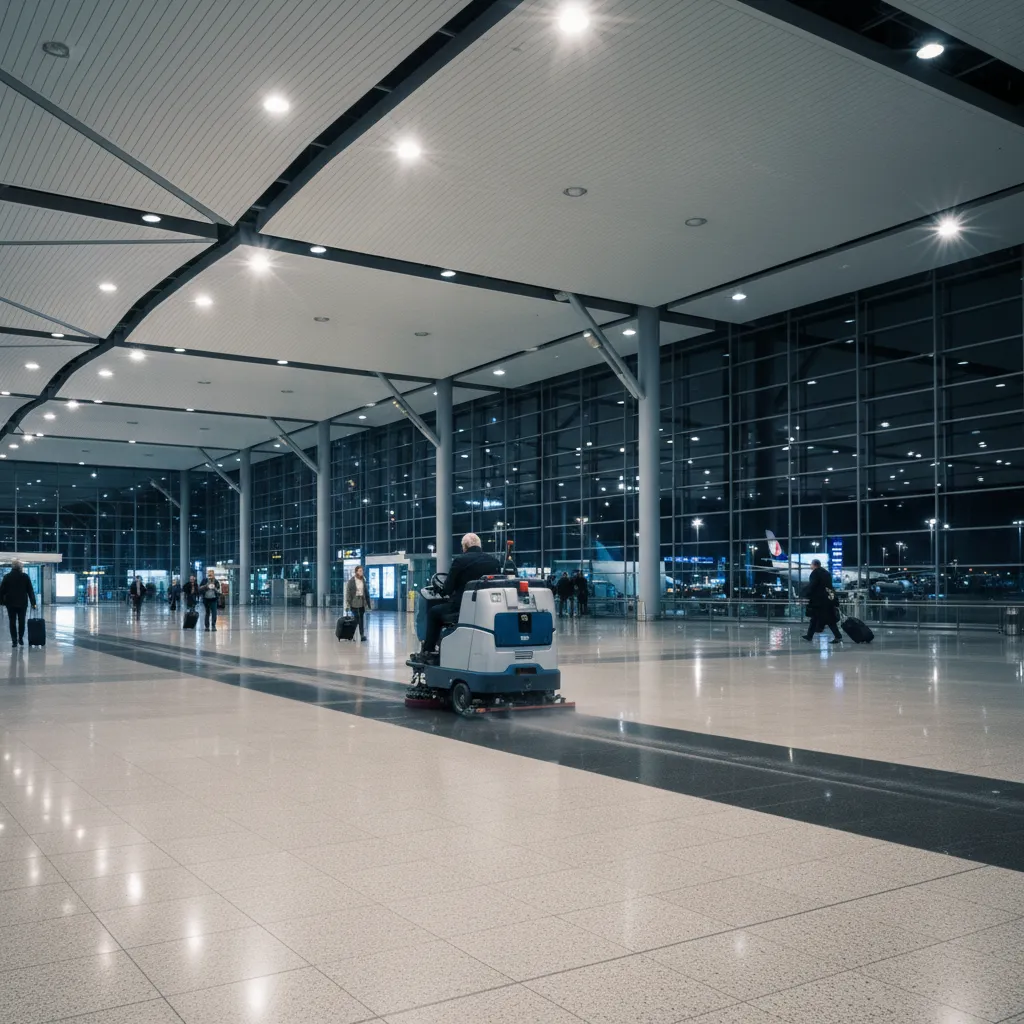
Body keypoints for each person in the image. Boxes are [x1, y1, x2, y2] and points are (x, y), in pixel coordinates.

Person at [413, 532, 500, 662]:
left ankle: (428, 650)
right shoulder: (494, 562)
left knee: (433, 613)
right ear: (479, 545)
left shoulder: (460, 561)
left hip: (461, 609)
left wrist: (443, 589)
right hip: (487, 609)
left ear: (464, 546)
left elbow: (448, 588)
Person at [802, 559, 843, 643]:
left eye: (811, 565)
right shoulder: (827, 573)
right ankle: (809, 635)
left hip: (819, 601)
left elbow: (813, 585)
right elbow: (829, 587)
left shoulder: (815, 573)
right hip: (828, 599)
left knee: (828, 620)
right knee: (815, 618)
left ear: (814, 565)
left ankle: (838, 636)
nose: (811, 566)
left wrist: (805, 594)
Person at [0, 560, 36, 648]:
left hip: (10, 603)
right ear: (20, 567)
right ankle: (20, 638)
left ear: (12, 567)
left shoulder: (7, 577)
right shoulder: (25, 577)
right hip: (22, 603)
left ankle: (14, 641)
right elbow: (30, 590)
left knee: (12, 622)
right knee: (22, 621)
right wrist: (33, 603)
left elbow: (1, 591)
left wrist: (1, 602)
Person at [344, 565, 371, 642]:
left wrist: (368, 603)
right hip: (354, 601)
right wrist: (348, 604)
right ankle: (352, 635)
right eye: (360, 571)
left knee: (361, 618)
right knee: (356, 618)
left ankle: (362, 635)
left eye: (362, 571)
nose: (361, 572)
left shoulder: (363, 580)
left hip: (362, 601)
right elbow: (348, 593)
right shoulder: (351, 581)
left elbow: (366, 592)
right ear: (356, 572)